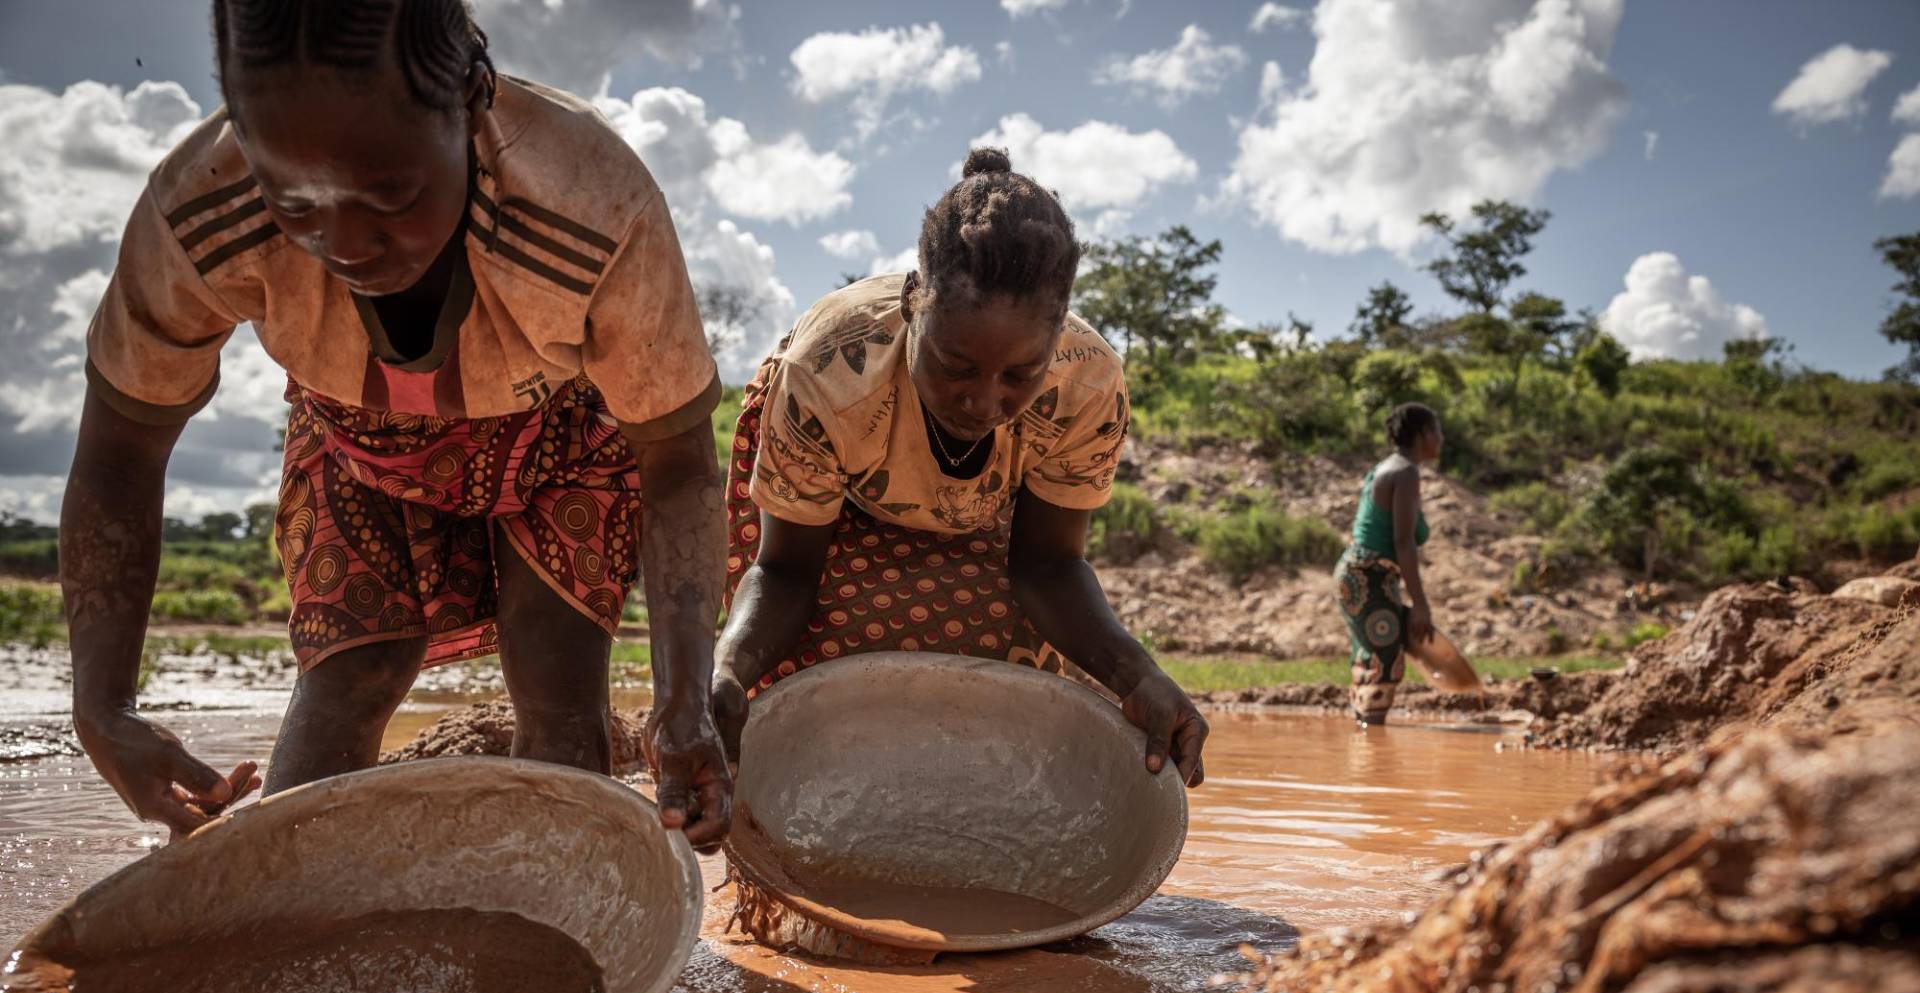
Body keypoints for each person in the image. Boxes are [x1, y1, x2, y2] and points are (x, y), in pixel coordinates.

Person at [60, 0, 730, 846]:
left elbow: (676, 463)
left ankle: (559, 947)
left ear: (469, 104)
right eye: (293, 203)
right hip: (355, 442)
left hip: (555, 439)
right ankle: (288, 921)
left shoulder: (592, 206)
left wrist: (679, 704)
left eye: (390, 195)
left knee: (559, 696)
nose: (345, 243)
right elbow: (120, 452)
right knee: (351, 678)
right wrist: (104, 706)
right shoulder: (199, 214)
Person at [710, 147, 1208, 787]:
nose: (983, 402)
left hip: (982, 511)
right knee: (810, 695)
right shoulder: (831, 375)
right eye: (955, 366)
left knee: (1006, 684)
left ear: (1057, 339)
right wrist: (728, 668)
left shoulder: (1085, 388)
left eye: (1019, 375)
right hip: (829, 504)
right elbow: (785, 570)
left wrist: (1140, 677)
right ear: (914, 302)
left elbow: (1048, 567)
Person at [1335, 402, 1443, 726]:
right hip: (1369, 577)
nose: (1442, 439)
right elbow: (1403, 543)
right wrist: (1420, 604)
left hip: (1362, 574)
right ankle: (1370, 754)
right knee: (1385, 663)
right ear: (1423, 434)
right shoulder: (1405, 472)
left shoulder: (1388, 468)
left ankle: (1365, 739)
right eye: (1438, 431)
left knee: (1372, 661)